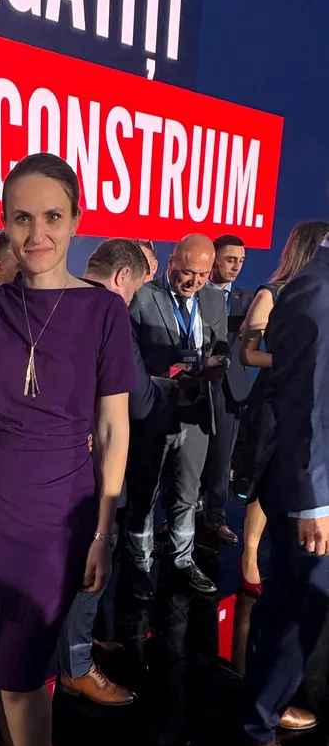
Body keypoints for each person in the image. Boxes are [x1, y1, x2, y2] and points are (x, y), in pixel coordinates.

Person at [0, 154, 136, 746]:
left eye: (52, 217)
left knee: (23, 662)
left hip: (59, 511)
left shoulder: (102, 310)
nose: (37, 233)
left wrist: (103, 531)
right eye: (22, 218)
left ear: (75, 220)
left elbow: (113, 428)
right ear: (5, 224)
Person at [241, 230, 329, 746]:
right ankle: (258, 729)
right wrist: (315, 501)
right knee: (295, 609)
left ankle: (269, 702)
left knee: (296, 606)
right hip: (312, 491)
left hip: (315, 483)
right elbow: (306, 407)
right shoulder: (315, 290)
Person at [56, 238, 150, 702]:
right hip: (91, 467)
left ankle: (77, 644)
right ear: (122, 277)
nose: (132, 299)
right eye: (135, 289)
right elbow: (136, 403)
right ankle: (76, 666)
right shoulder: (110, 312)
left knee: (76, 565)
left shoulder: (58, 302)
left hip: (60, 464)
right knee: (93, 561)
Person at [126, 234, 228, 600]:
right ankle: (139, 566)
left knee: (188, 493)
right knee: (145, 494)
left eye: (202, 274)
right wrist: (165, 379)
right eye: (187, 272)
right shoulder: (142, 296)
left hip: (197, 410)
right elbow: (130, 359)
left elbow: (220, 343)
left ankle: (182, 561)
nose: (194, 282)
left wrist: (217, 362)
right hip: (154, 410)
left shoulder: (213, 297)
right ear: (171, 263)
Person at [239, 221, 329, 596]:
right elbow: (247, 354)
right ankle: (249, 555)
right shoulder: (277, 292)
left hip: (300, 397)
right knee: (268, 481)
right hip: (277, 399)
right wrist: (297, 361)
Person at [201, 235, 254, 543]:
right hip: (195, 383)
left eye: (241, 261)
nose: (236, 266)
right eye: (231, 259)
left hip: (231, 389)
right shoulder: (193, 293)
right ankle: (180, 516)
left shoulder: (249, 301)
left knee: (222, 457)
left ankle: (215, 517)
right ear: (214, 259)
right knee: (187, 457)